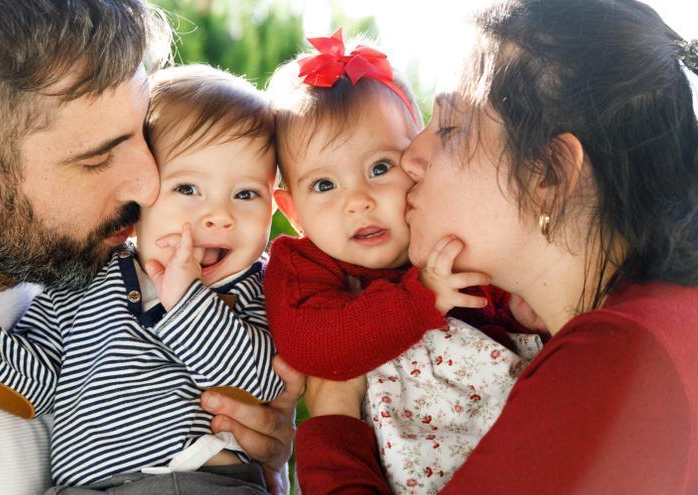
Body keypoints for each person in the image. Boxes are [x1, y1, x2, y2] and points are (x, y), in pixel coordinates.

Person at [0, 2, 300, 494]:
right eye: (97, 157)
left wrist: (265, 462)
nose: (148, 183)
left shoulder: (96, 257)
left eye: (142, 137)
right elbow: (32, 376)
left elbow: (257, 379)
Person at [294, 0, 698, 493]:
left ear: (547, 173)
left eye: (448, 128)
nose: (410, 160)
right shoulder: (661, 323)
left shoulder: (619, 364)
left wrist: (332, 419)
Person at [264, 30, 544, 494]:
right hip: (392, 472)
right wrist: (421, 301)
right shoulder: (304, 265)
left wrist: (519, 309)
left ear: (415, 163)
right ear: (292, 210)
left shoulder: (448, 239)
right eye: (324, 186)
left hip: (508, 450)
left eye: (379, 168)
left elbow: (499, 304)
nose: (358, 201)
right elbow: (314, 347)